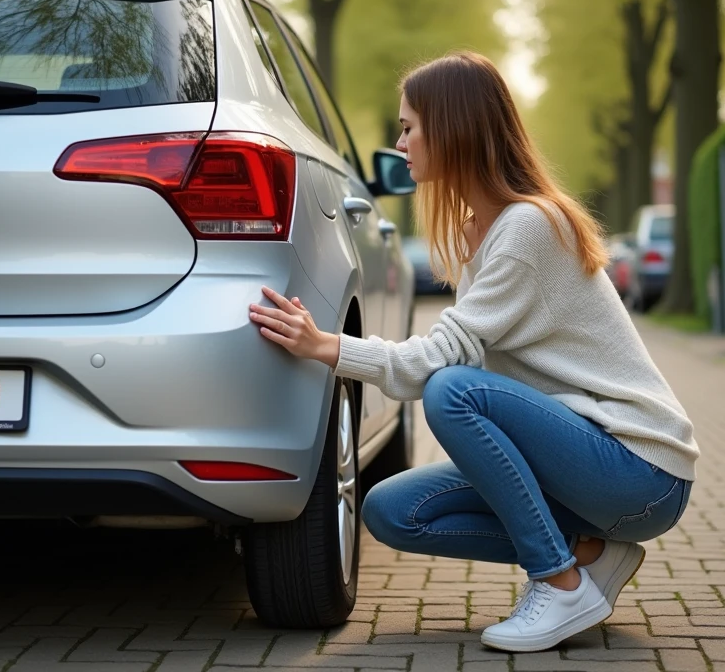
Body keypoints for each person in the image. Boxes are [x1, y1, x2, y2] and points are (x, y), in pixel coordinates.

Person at [248, 51, 699, 653]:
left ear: (453, 127)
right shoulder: (484, 232)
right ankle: (591, 554)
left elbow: (439, 365)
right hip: (586, 472)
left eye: (408, 127)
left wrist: (328, 346)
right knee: (391, 510)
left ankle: (560, 582)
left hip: (640, 469)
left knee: (450, 391)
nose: (399, 143)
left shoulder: (526, 228)